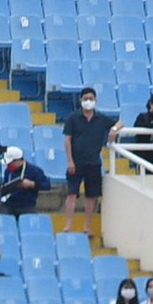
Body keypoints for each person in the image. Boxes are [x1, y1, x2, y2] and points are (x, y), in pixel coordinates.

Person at [60, 88, 118, 233]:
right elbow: (67, 140)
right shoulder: (73, 118)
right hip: (76, 162)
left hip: (93, 162)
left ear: (95, 100)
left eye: (91, 98)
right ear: (81, 100)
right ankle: (68, 225)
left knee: (91, 196)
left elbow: (119, 122)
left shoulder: (101, 118)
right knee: (72, 194)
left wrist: (114, 129)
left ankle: (87, 226)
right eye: (85, 98)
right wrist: (70, 160)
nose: (88, 101)